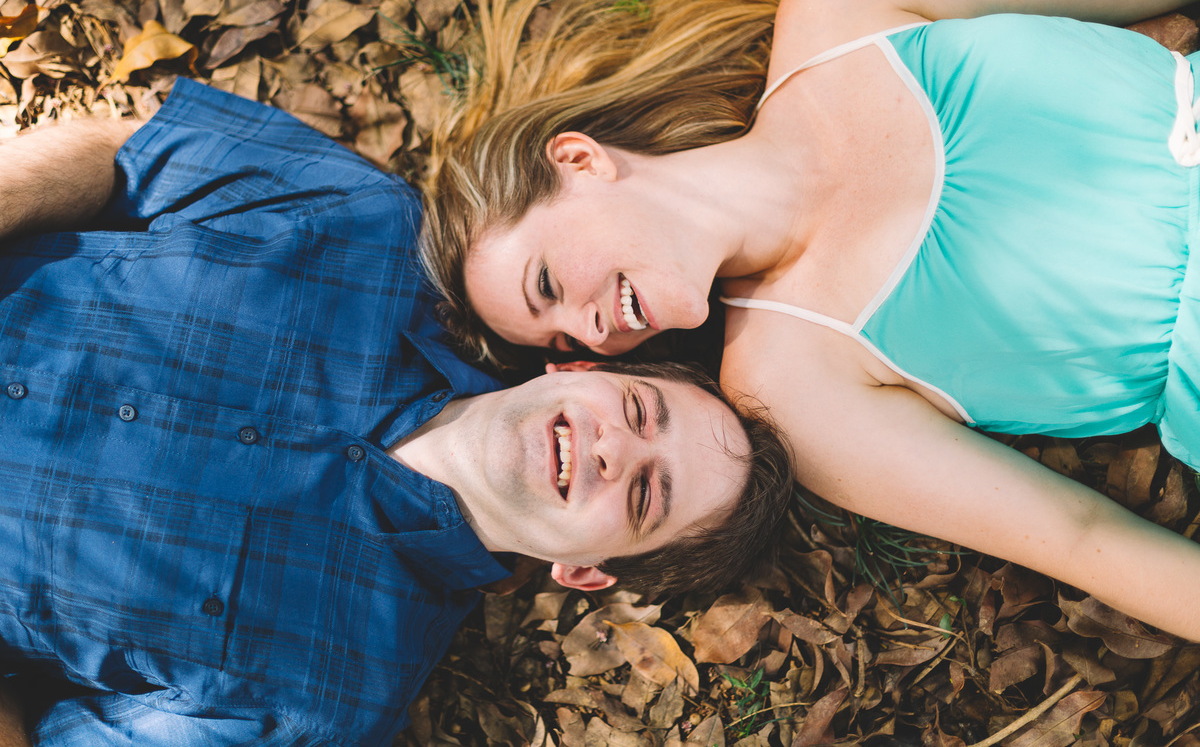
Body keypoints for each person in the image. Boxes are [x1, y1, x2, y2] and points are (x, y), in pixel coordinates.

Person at [423, 0, 1200, 642]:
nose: (589, 331)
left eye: (549, 285)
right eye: (563, 343)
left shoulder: (841, 12)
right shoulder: (792, 387)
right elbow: (1080, 535)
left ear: (580, 161)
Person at [0, 78, 794, 746]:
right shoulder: (369, 223)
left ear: (587, 571)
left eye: (645, 494)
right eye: (637, 409)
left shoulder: (327, 698)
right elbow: (125, 154)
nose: (614, 449)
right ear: (577, 366)